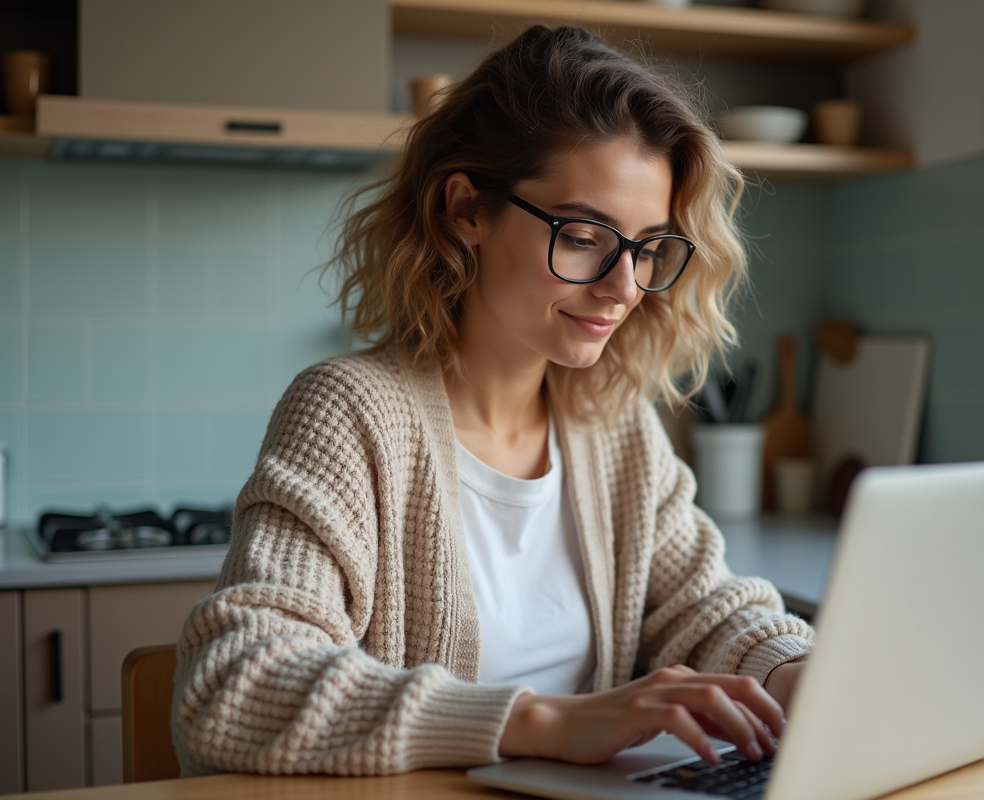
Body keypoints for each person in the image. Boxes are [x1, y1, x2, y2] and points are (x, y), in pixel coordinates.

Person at [172, 24, 814, 777]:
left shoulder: (615, 426)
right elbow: (231, 682)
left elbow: (704, 610)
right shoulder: (349, 413)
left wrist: (808, 678)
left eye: (647, 248)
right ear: (467, 209)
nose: (624, 287)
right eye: (584, 237)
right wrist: (542, 721)